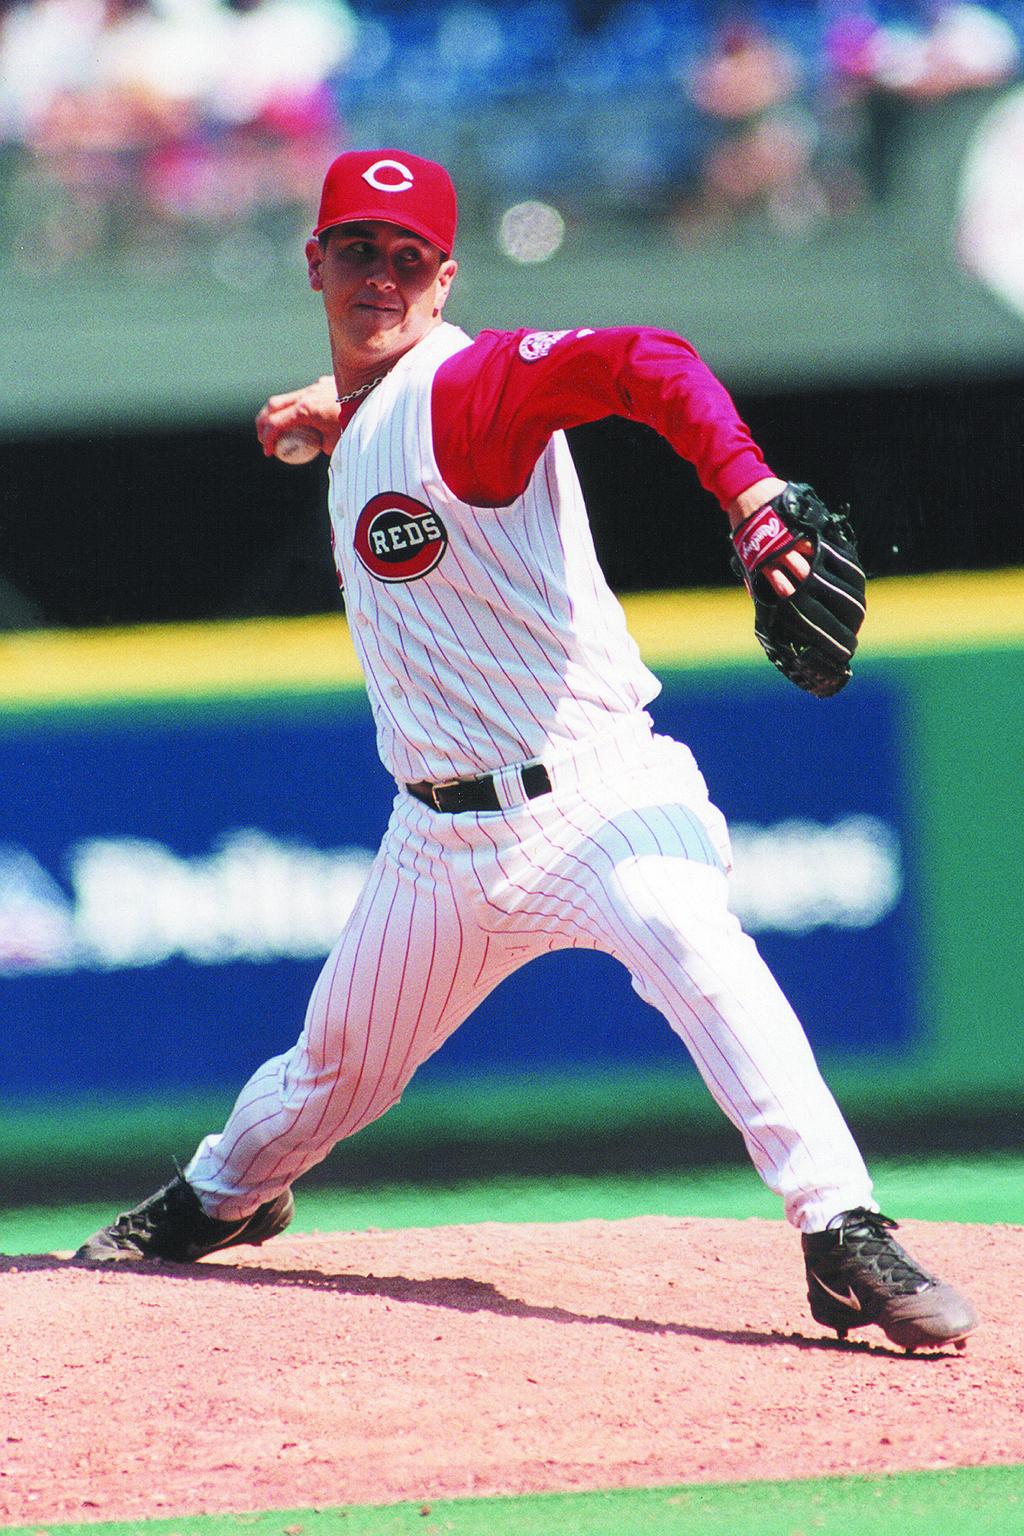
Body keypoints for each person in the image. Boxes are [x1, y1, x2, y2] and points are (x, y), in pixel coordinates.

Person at [75, 147, 978, 1353]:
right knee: (328, 1072)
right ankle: (220, 1196)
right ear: (315, 263)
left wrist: (750, 494)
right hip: (437, 841)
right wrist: (334, 408)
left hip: (596, 794)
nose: (380, 278)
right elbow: (388, 414)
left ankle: (841, 1228)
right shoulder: (375, 410)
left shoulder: (470, 390)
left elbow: (645, 361)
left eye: (407, 260)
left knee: (693, 941)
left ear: (445, 280)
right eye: (357, 251)